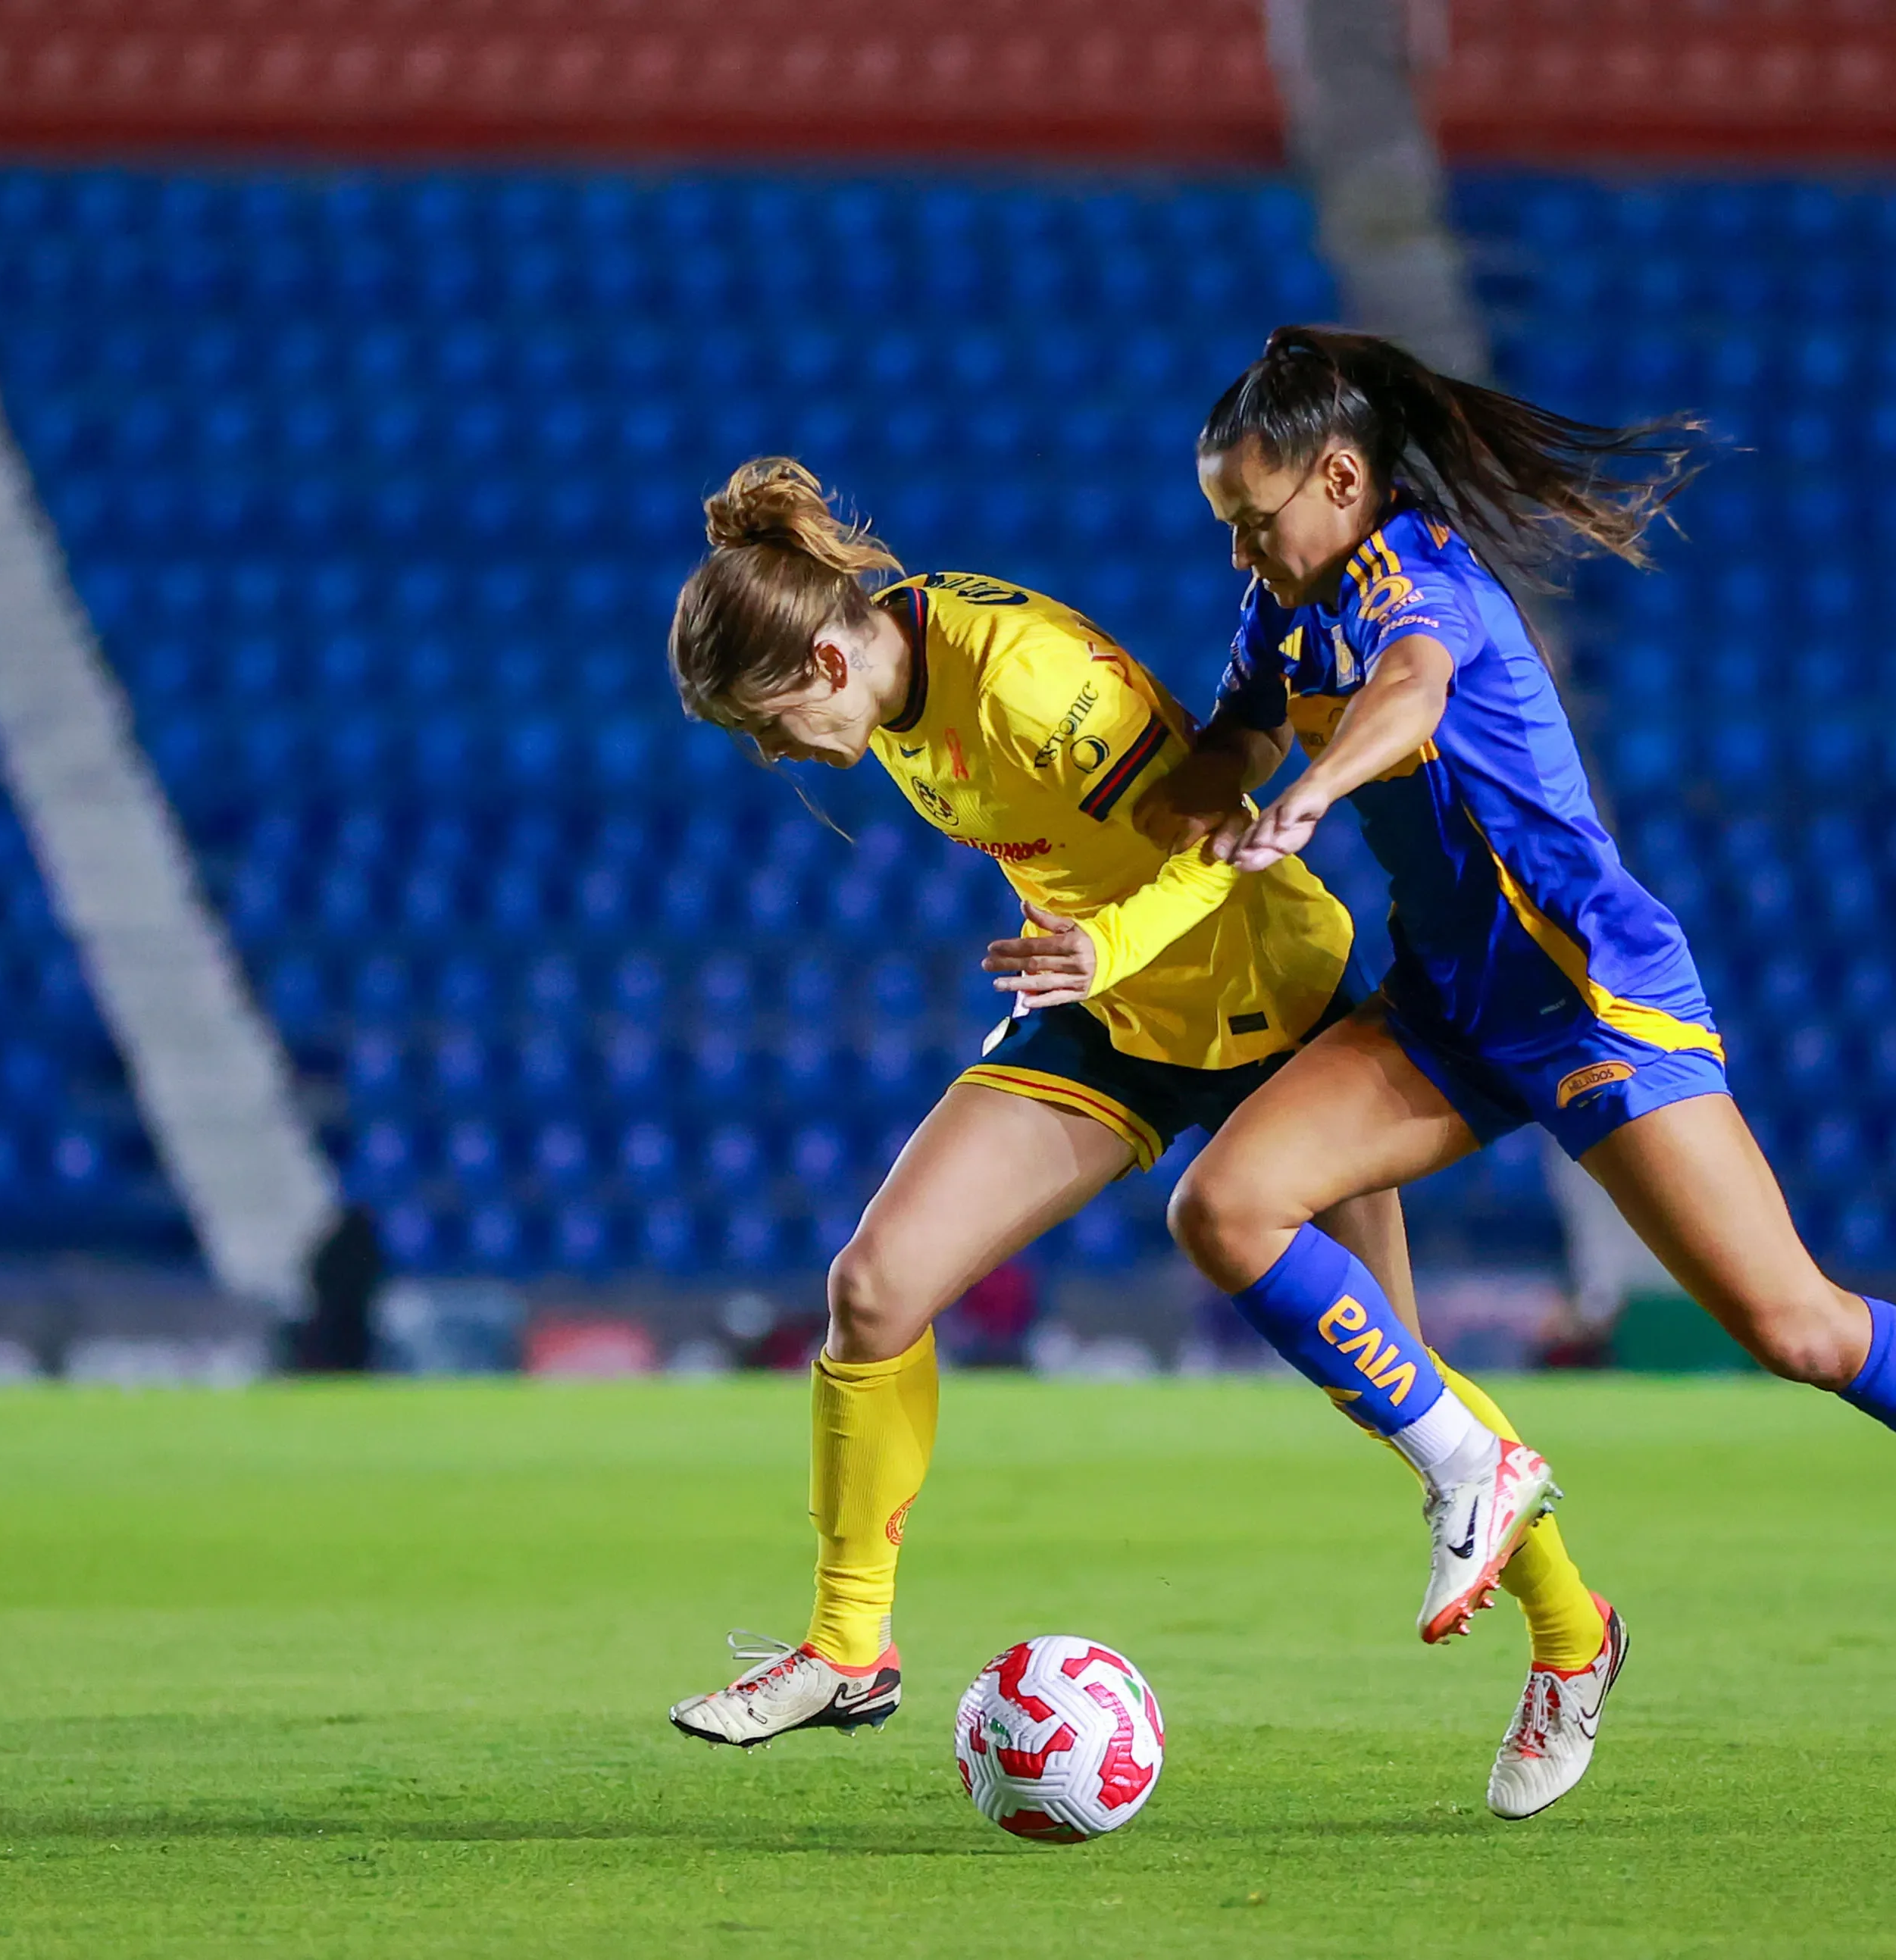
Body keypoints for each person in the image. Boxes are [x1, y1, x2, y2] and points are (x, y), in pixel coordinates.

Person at [1140, 330, 1896, 1800]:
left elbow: (1410, 695)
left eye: (1256, 515)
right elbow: (1213, 759)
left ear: (1341, 478)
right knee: (1222, 1211)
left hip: (1595, 996)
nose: (1243, 547)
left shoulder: (1413, 581)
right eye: (1226, 525)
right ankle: (1507, 1526)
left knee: (1795, 1326)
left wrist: (1312, 798)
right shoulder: (1281, 613)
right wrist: (1073, 813)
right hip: (1453, 1011)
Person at [655, 460, 1603, 1810]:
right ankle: (847, 1644)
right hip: (1105, 1007)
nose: (771, 751)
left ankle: (1574, 1642)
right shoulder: (898, 658)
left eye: (768, 719)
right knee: (872, 1288)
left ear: (822, 651)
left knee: (1396, 1381)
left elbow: (1220, 835)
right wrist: (1087, 950)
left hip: (1259, 994)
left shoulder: (1028, 686)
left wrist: (1100, 940)